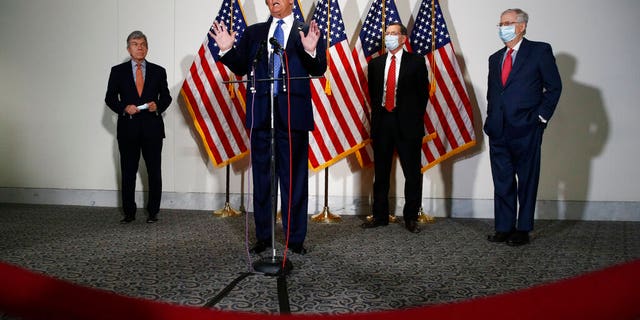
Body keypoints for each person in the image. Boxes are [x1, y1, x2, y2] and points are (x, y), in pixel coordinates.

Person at [209, 0, 326, 254]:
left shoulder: (307, 31)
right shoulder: (254, 33)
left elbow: (319, 68)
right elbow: (240, 67)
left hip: (293, 115)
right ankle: (264, 236)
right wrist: (228, 50)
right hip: (261, 113)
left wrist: (310, 52)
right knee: (262, 179)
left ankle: (294, 239)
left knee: (294, 180)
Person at [484, 9, 562, 246]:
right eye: (500, 23)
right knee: (502, 181)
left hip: (527, 128)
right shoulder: (495, 57)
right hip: (498, 129)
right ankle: (504, 227)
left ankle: (523, 228)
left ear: (521, 26)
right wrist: (491, 118)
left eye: (507, 23)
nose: (502, 27)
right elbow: (494, 93)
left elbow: (554, 87)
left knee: (527, 180)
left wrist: (540, 117)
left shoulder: (539, 51)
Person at [361, 22, 429, 234]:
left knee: (412, 173)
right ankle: (380, 216)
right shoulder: (375, 64)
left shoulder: (416, 61)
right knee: (381, 172)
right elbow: (374, 95)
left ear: (403, 38)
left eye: (393, 34)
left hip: (408, 124)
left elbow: (422, 94)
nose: (388, 37)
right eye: (387, 33)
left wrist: (412, 118)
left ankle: (410, 217)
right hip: (383, 123)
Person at [105, 31, 172, 224]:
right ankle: (129, 212)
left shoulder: (159, 71)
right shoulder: (117, 71)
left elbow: (166, 97)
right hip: (128, 129)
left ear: (147, 48)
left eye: (143, 44)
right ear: (128, 48)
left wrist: (157, 105)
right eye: (135, 44)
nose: (139, 47)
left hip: (152, 128)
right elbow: (110, 98)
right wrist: (124, 108)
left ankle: (153, 212)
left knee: (154, 171)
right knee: (128, 171)